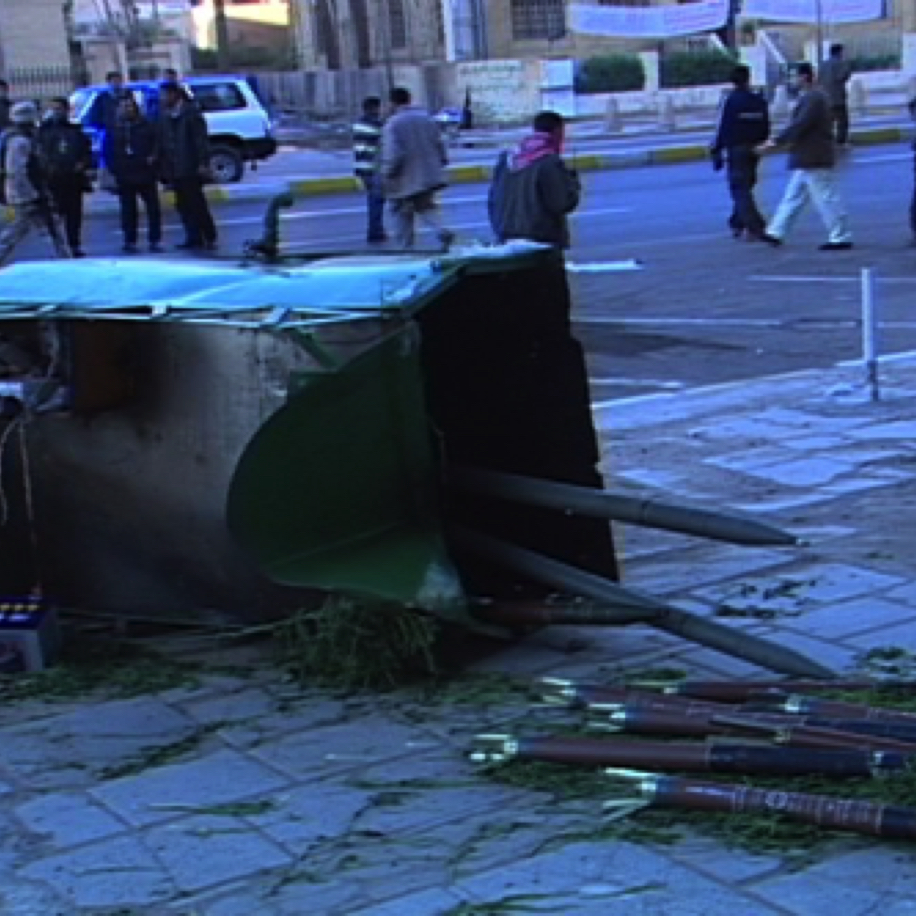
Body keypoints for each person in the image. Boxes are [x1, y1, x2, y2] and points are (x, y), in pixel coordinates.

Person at [757, 62, 852, 251]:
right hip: (806, 156)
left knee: (825, 197)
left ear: (805, 77)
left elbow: (801, 124)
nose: (792, 80)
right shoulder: (812, 97)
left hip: (813, 156)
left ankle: (840, 236)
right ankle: (776, 232)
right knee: (793, 197)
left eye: (794, 76)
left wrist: (776, 141)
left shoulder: (814, 98)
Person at [487, 110, 580, 249]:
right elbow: (562, 203)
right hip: (540, 241)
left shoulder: (507, 159)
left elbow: (492, 200)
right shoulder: (549, 162)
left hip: (506, 236)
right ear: (557, 132)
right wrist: (572, 182)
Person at [380, 87, 454, 250]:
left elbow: (393, 153)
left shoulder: (392, 124)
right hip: (428, 174)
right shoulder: (427, 119)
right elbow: (439, 144)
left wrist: (386, 173)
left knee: (400, 213)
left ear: (392, 103)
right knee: (425, 206)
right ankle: (442, 230)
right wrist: (441, 162)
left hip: (404, 178)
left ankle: (404, 249)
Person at [0, 102, 70, 268]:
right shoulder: (19, 140)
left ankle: (64, 259)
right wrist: (30, 194)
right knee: (16, 230)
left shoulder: (19, 137)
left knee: (51, 226)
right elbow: (16, 171)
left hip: (31, 192)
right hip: (26, 194)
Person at [709, 65, 770, 241]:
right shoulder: (758, 100)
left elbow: (723, 128)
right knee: (746, 186)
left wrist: (717, 149)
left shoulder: (731, 101)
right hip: (755, 148)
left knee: (739, 188)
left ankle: (755, 225)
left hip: (737, 149)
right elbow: (766, 126)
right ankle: (737, 222)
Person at [157, 81, 217, 251]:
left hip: (190, 165)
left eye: (165, 94)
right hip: (174, 168)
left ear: (174, 94)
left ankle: (209, 235)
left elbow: (201, 141)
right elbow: (163, 140)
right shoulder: (165, 115)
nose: (162, 98)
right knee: (182, 205)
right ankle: (193, 236)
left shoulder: (191, 113)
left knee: (197, 202)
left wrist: (203, 162)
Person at [104, 95, 162, 254]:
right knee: (128, 210)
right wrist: (113, 168)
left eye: (130, 106)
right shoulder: (115, 128)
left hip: (145, 171)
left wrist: (153, 158)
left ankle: (155, 240)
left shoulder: (146, 125)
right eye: (124, 106)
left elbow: (156, 144)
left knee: (153, 209)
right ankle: (130, 241)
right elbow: (108, 150)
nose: (127, 109)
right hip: (125, 173)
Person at [37, 97, 92, 257]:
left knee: (74, 214)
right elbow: (39, 153)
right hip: (53, 179)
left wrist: (83, 163)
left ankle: (74, 244)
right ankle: (58, 247)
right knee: (56, 215)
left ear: (67, 110)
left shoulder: (75, 131)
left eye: (59, 108)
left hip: (73, 178)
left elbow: (86, 151)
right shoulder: (44, 131)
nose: (56, 112)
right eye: (53, 109)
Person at [352, 96, 386, 243]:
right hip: (373, 168)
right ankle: (375, 231)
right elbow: (383, 143)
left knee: (373, 200)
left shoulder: (358, 124)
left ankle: (376, 229)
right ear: (373, 108)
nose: (380, 110)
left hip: (361, 167)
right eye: (378, 107)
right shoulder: (376, 125)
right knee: (376, 201)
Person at [819, 44, 853, 147]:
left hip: (825, 97)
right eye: (842, 52)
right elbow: (843, 76)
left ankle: (826, 141)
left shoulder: (823, 64)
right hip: (837, 97)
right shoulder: (840, 63)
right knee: (842, 121)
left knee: (829, 121)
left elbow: (819, 79)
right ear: (839, 52)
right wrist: (847, 69)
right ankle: (840, 142)